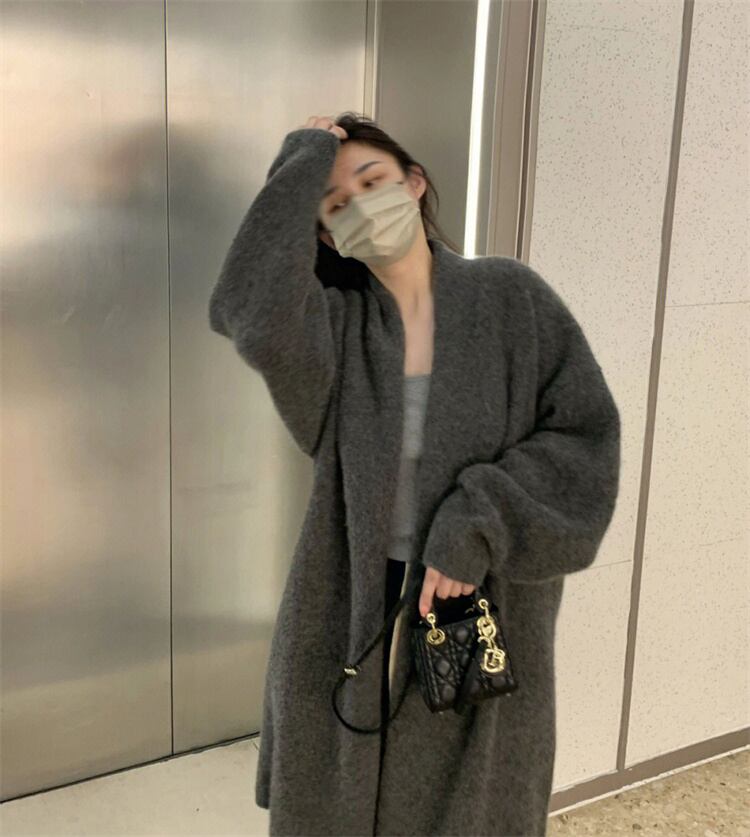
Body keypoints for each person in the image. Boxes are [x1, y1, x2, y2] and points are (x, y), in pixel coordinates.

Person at [208, 112, 621, 836]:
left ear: (416, 183)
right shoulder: (331, 330)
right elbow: (249, 305)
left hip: (473, 598)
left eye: (373, 182)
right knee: (336, 799)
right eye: (336, 204)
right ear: (325, 236)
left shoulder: (511, 299)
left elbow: (585, 437)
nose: (360, 206)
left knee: (466, 803)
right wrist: (306, 155)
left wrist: (476, 523)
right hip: (348, 601)